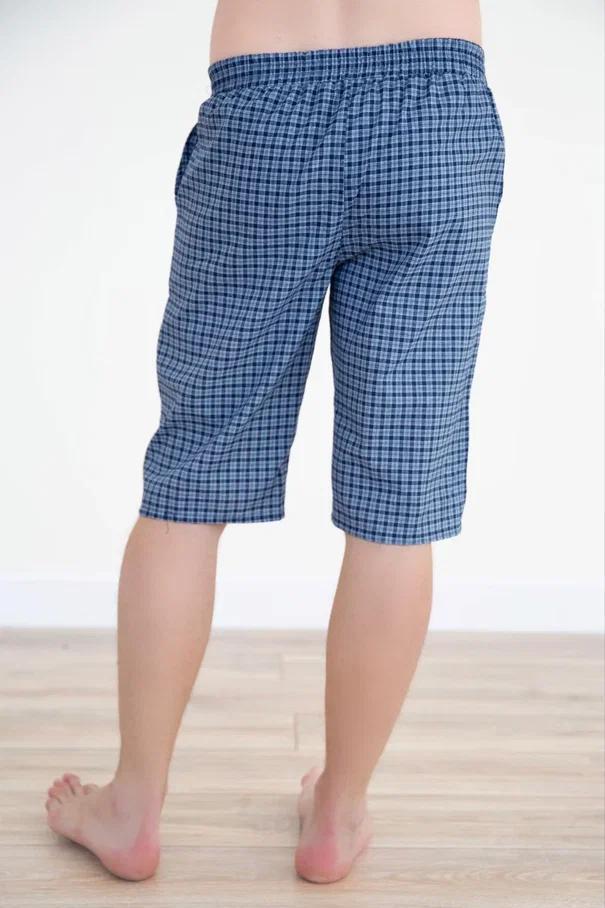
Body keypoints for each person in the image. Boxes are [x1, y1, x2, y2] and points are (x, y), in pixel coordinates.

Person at [44, 0, 504, 885]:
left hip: (265, 103)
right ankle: (337, 814)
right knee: (398, 494)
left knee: (191, 474)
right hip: (434, 115)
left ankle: (132, 808)